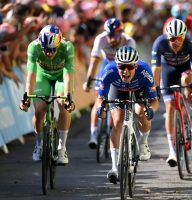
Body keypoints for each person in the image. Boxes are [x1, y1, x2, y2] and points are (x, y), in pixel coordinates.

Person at [96, 46, 159, 183]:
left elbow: (154, 100)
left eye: (129, 67)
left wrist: (151, 110)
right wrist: (101, 108)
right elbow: (100, 98)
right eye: (122, 67)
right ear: (117, 65)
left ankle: (143, 142)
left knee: (141, 112)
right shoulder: (109, 70)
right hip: (117, 90)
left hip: (139, 90)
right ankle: (114, 167)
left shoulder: (145, 71)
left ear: (135, 66)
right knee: (117, 121)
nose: (125, 71)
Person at [19, 24, 75, 165]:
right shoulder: (34, 47)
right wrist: (26, 96)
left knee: (63, 104)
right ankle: (39, 144)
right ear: (40, 43)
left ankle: (62, 149)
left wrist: (68, 96)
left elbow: (68, 74)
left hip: (60, 76)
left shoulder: (67, 47)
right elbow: (31, 74)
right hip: (41, 76)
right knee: (39, 109)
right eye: (46, 49)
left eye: (52, 49)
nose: (49, 53)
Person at [151, 19, 192, 167]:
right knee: (169, 107)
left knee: (187, 83)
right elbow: (156, 69)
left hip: (185, 68)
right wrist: (155, 90)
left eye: (179, 38)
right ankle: (172, 151)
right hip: (169, 69)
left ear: (184, 36)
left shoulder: (191, 43)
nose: (176, 41)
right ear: (167, 37)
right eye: (172, 38)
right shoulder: (159, 43)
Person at [83, 17, 136, 149]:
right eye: (109, 35)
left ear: (121, 32)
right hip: (106, 66)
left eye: (115, 34)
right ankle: (94, 134)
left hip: (122, 68)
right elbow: (94, 61)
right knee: (99, 99)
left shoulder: (129, 41)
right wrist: (89, 80)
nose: (112, 38)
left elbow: (132, 65)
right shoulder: (100, 39)